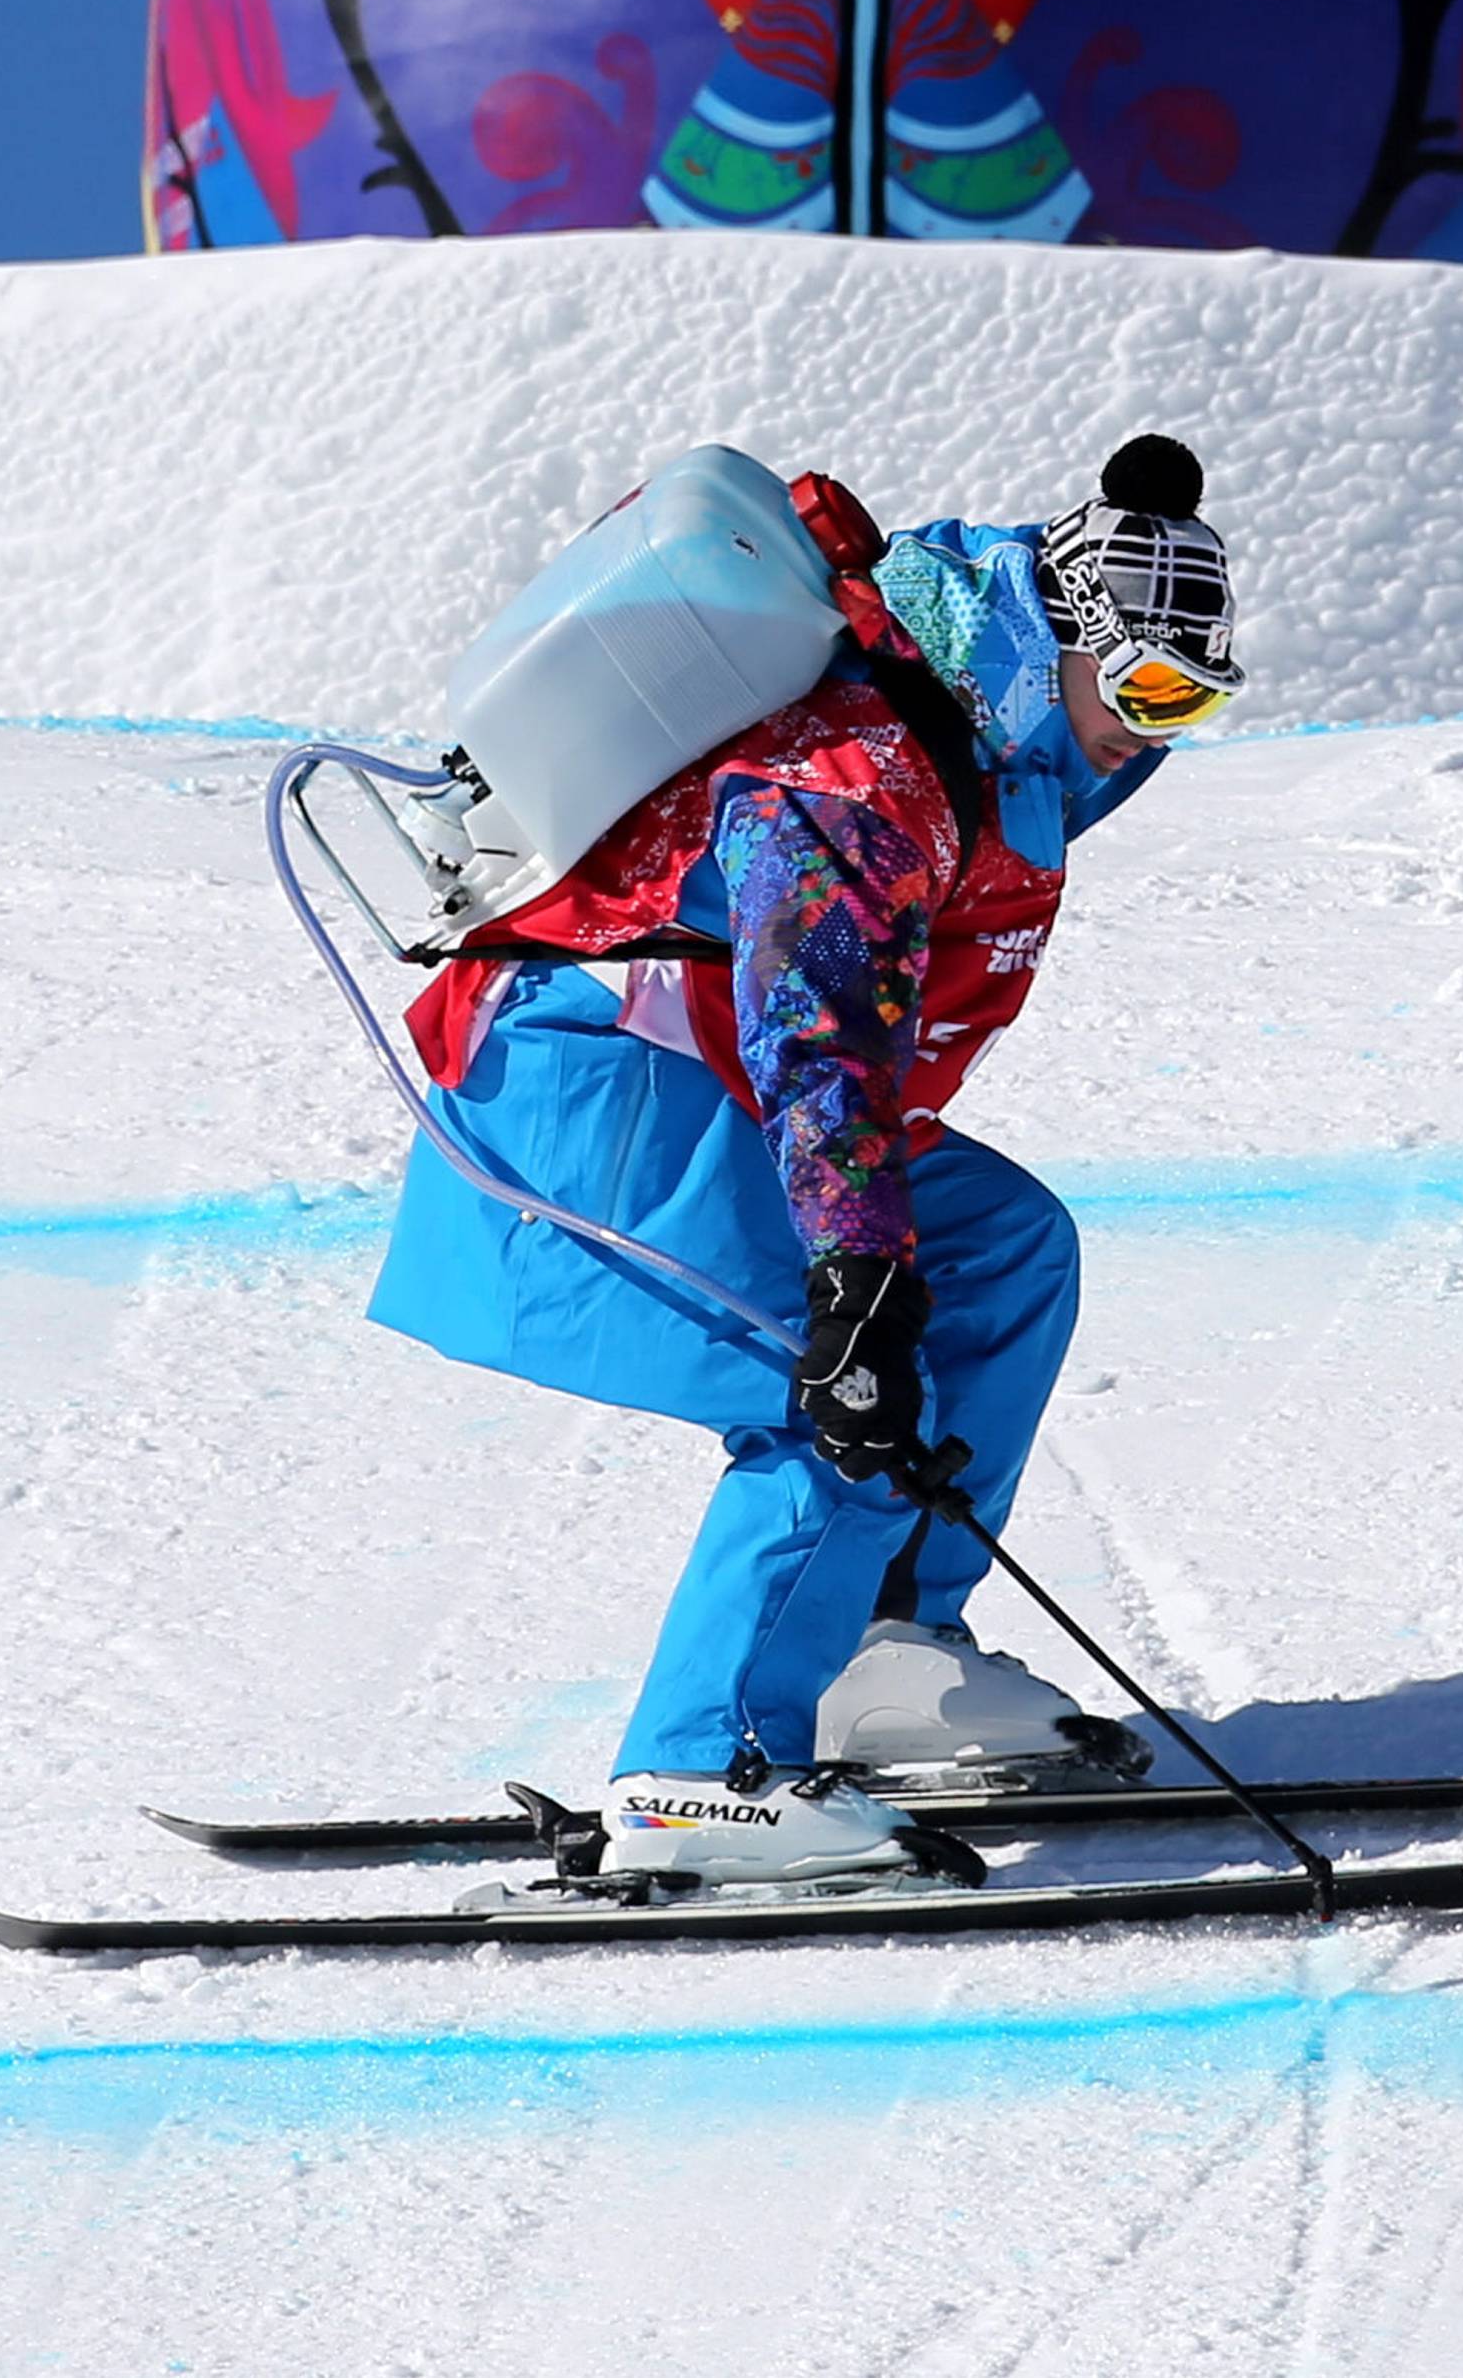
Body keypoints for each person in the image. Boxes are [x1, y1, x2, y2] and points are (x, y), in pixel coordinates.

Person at [367, 433, 1244, 1889]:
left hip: (702, 1083)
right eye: (1147, 687)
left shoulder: (980, 762)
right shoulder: (865, 768)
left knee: (1002, 1249)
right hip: (589, 1082)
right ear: (1055, 646)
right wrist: (853, 1275)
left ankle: (882, 1660)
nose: (1153, 733)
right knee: (834, 1377)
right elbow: (816, 1025)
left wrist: (875, 1250)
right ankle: (702, 1773)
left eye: (1195, 704)